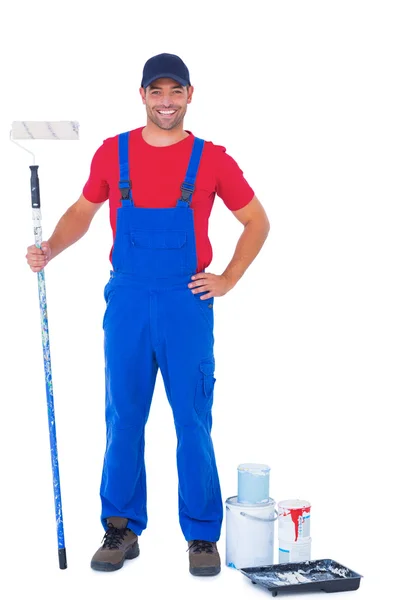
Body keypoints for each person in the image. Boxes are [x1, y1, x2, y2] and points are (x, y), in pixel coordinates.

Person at [26, 53, 270, 576]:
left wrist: (227, 278)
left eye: (174, 91)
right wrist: (49, 249)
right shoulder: (112, 154)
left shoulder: (213, 160)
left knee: (193, 420)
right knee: (124, 414)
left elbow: (256, 221)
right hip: (130, 300)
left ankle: (202, 536)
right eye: (156, 91)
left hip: (188, 302)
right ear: (142, 95)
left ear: (189, 95)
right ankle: (120, 528)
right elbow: (81, 213)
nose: (165, 101)